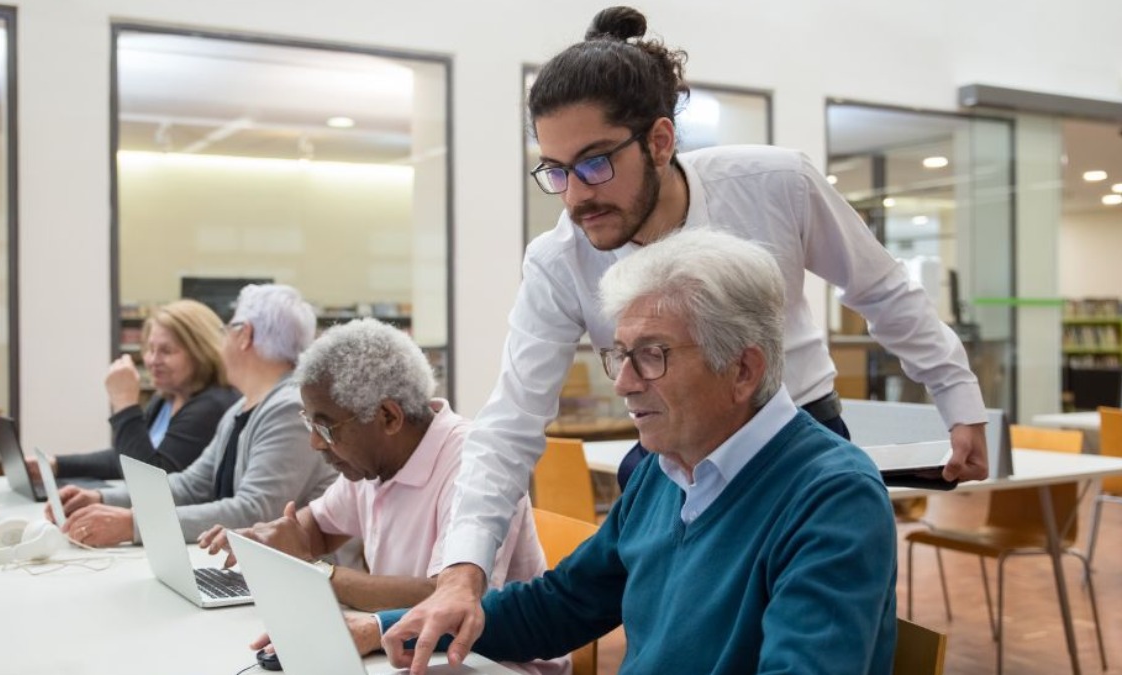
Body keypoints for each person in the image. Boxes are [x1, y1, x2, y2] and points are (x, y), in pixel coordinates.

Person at [386, 7, 987, 672]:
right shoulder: (560, 260)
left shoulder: (774, 184)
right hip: (678, 451)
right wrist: (458, 572)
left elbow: (881, 290)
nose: (574, 197)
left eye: (593, 164)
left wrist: (958, 401)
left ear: (661, 139)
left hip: (792, 442)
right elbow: (510, 425)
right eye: (555, 170)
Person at [374, 230, 898, 673]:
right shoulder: (665, 472)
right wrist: (384, 628)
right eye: (621, 355)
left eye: (651, 355)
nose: (623, 383)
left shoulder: (832, 496)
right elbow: (561, 605)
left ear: (743, 369)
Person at [197, 319, 568, 675]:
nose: (314, 443)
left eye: (324, 426)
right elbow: (318, 528)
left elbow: (445, 596)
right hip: (412, 646)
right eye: (309, 423)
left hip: (494, 660)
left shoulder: (474, 466)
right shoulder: (371, 464)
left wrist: (316, 571)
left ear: (389, 417)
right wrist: (269, 541)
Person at [50, 284, 337, 548]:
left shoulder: (289, 409)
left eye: (227, 329)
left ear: (244, 335)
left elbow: (254, 512)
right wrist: (102, 499)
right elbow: (191, 486)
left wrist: (134, 524)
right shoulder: (242, 409)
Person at [29, 299, 239, 481]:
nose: (153, 360)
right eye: (150, 349)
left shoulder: (211, 406)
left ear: (200, 353)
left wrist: (125, 403)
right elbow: (127, 458)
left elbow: (148, 479)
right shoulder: (166, 399)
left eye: (166, 351)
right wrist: (57, 465)